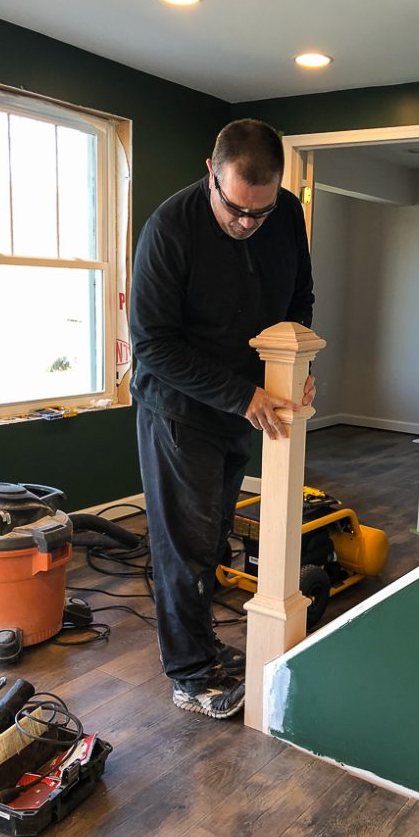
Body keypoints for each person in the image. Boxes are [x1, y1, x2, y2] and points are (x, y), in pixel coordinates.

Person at [130, 119, 315, 720]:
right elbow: (152, 345)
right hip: (180, 409)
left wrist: (296, 361)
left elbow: (298, 300)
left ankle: (204, 647)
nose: (247, 224)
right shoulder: (169, 229)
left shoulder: (284, 215)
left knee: (213, 540)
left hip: (244, 404)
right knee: (182, 547)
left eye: (259, 213)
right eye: (236, 209)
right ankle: (188, 673)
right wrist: (243, 395)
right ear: (211, 173)